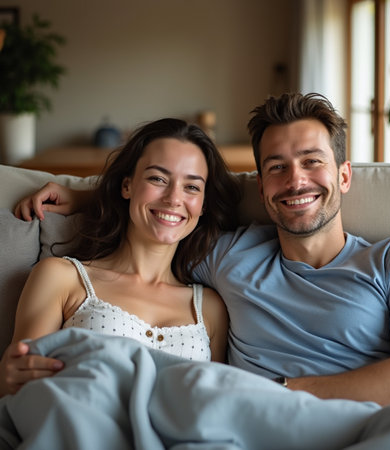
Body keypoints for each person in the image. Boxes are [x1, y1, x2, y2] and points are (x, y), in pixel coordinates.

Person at [9, 93, 390, 407]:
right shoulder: (229, 257)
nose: (296, 181)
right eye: (277, 167)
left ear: (345, 176)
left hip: (358, 425)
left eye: (313, 162)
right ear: (260, 186)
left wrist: (280, 391)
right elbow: (165, 216)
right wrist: (84, 195)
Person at [0, 117, 242, 397]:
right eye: (157, 178)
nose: (174, 198)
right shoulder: (61, 277)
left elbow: (217, 405)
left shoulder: (210, 308)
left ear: (203, 205)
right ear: (126, 186)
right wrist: (5, 379)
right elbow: (21, 389)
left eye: (191, 187)